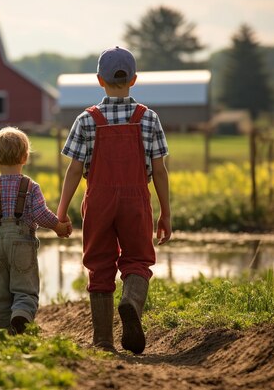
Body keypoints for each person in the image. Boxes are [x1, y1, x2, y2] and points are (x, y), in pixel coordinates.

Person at [56, 46, 171, 353]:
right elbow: (159, 171)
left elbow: (74, 168)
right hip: (136, 199)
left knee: (100, 265)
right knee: (138, 258)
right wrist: (166, 214)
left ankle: (103, 341)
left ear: (99, 80)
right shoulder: (149, 119)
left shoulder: (86, 120)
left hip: (99, 201)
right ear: (133, 80)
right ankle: (131, 302)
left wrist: (62, 210)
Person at [0, 126, 72, 334]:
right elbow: (40, 214)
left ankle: (0, 332)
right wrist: (58, 226)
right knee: (25, 289)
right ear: (25, 157)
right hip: (23, 245)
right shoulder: (30, 186)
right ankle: (21, 315)